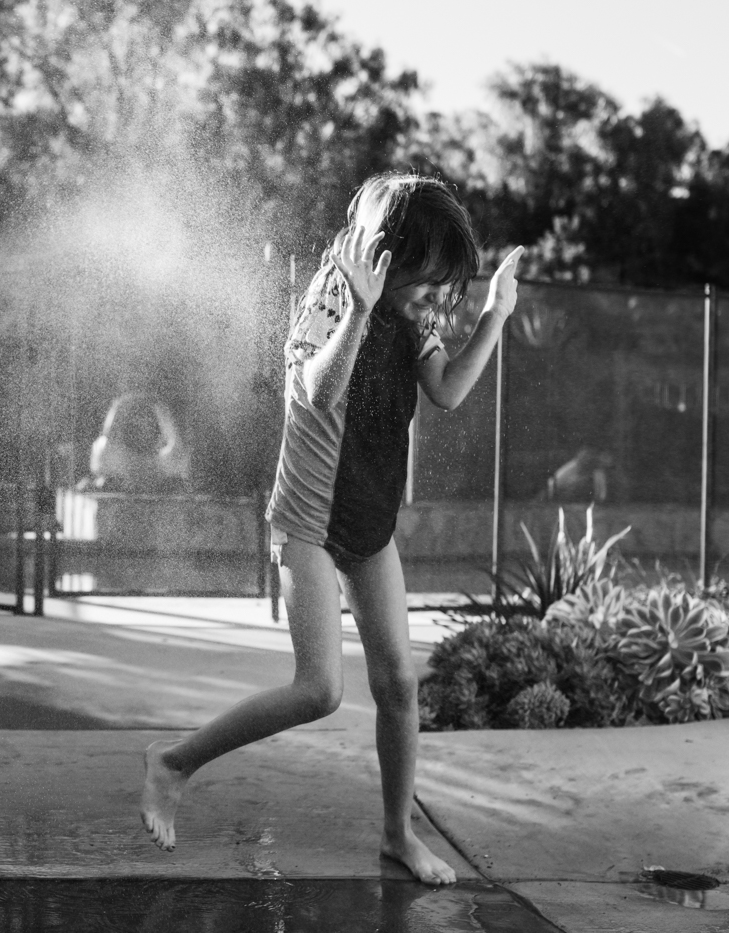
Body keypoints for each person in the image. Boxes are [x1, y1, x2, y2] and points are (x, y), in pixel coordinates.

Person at [140, 173, 524, 885]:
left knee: (401, 684)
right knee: (319, 689)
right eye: (428, 277)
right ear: (389, 254)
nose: (434, 294)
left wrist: (495, 314)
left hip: (369, 520)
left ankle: (396, 834)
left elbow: (447, 391)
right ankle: (172, 762)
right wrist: (361, 311)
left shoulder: (417, 316)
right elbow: (319, 389)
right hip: (310, 518)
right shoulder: (330, 297)